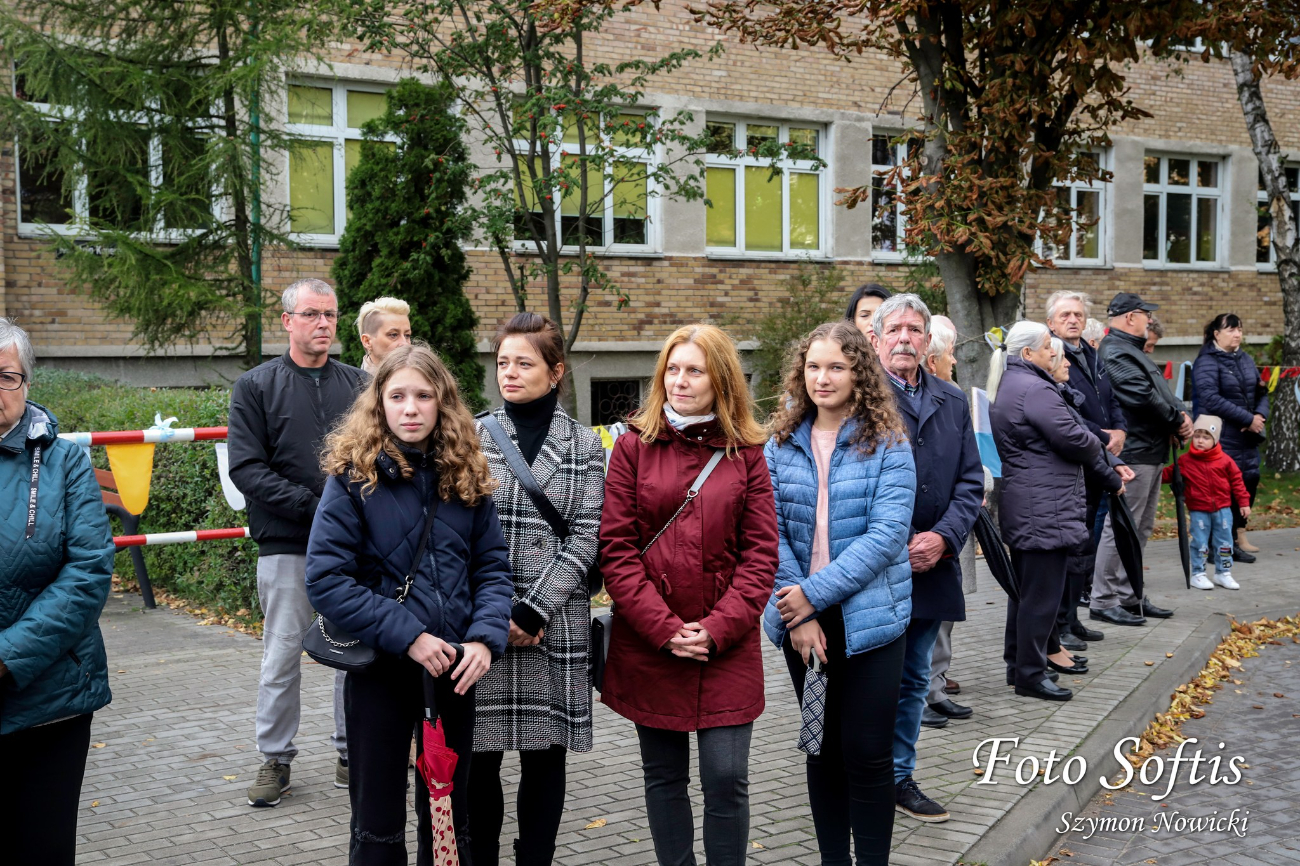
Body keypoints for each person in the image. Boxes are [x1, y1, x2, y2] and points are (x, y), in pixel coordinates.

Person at [306, 344, 514, 864]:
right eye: (397, 396)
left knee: (448, 813)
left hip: (454, 671)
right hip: (382, 671)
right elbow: (327, 580)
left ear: (442, 403)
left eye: (423, 395)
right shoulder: (352, 478)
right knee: (376, 822)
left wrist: (485, 639)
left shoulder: (465, 475)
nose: (411, 408)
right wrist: (410, 635)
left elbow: (491, 569)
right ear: (379, 404)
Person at [600, 324, 778, 866]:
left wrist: (718, 628)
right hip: (651, 643)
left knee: (726, 776)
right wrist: (665, 629)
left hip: (727, 642)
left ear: (720, 379)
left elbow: (760, 554)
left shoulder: (746, 452)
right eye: (672, 369)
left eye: (694, 370)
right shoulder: (633, 445)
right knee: (664, 776)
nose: (680, 381)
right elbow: (616, 548)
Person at [766, 321, 916, 865]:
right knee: (820, 750)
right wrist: (796, 611)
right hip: (801, 628)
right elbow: (768, 532)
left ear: (859, 374)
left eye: (836, 367)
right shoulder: (779, 444)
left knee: (868, 754)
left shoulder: (889, 444)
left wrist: (812, 595)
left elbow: (887, 536)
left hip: (872, 622)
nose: (822, 378)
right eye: (813, 366)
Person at [470, 313, 605, 866]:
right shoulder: (471, 436)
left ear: (555, 372)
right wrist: (499, 610)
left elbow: (588, 535)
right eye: (502, 362)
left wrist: (533, 609)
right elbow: (458, 536)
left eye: (524, 363)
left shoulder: (584, 445)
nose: (509, 372)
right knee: (479, 759)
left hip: (554, 623)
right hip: (482, 622)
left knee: (545, 759)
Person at [227, 278, 366, 805]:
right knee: (283, 655)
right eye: (312, 314)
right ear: (287, 321)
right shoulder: (256, 387)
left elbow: (375, 452)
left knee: (354, 650)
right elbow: (247, 469)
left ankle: (351, 753)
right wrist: (320, 509)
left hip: (353, 548)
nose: (324, 324)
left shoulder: (358, 384)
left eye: (330, 315)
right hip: (287, 544)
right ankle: (274, 759)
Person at [0, 318, 114, 865]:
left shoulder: (65, 461)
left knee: (42, 847)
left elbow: (89, 571)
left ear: (27, 386)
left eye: (7, 377)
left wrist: (6, 657)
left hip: (51, 697)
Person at [867, 296, 982, 824]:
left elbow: (970, 481)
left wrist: (942, 537)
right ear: (876, 339)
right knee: (870, 681)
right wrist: (901, 540)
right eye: (895, 329)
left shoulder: (952, 400)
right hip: (873, 569)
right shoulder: (856, 399)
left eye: (916, 329)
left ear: (928, 341)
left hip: (933, 564)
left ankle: (898, 776)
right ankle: (859, 773)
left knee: (915, 677)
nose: (906, 339)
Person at [989, 322, 1128, 702]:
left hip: (1034, 503)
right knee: (1040, 596)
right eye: (1049, 347)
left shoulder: (1019, 384)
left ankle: (1019, 664)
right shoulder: (1034, 388)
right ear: (1028, 353)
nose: (1055, 352)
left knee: (1026, 592)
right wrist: (1095, 441)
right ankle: (1030, 676)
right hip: (1042, 506)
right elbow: (1074, 437)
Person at [1090, 292, 1191, 627]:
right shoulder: (1116, 350)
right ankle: (1104, 599)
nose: (1150, 321)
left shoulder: (1129, 350)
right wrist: (1177, 419)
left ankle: (1129, 595)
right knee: (1120, 526)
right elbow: (1141, 396)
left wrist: (1180, 412)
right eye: (1146, 315)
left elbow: (1158, 391)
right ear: (1131, 317)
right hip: (1134, 451)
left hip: (1149, 448)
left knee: (1140, 527)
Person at [1045, 291, 1127, 648]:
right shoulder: (1053, 358)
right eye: (1065, 315)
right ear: (1051, 323)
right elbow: (1068, 414)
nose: (1073, 320)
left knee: (1085, 546)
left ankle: (1073, 619)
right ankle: (1060, 623)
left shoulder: (1094, 354)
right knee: (1071, 547)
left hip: (1101, 455)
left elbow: (1113, 398)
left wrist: (1120, 429)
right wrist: (1103, 435)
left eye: (1078, 314)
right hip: (1077, 462)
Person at [1192, 313, 1268, 563]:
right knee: (1220, 490)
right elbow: (1210, 399)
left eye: (1240, 330)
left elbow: (1261, 391)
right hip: (1223, 437)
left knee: (1247, 483)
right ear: (1216, 334)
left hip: (1247, 439)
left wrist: (1260, 416)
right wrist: (1247, 419)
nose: (1237, 334)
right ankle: (1213, 547)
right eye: (1231, 330)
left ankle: (1232, 542)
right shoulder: (1207, 362)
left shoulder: (1245, 358)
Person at [1161, 415, 1250, 591]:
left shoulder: (1225, 460)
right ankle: (1198, 573)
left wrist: (1244, 502)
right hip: (1199, 510)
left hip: (1223, 509)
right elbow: (1167, 475)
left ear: (1215, 440)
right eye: (1197, 435)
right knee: (1200, 543)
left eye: (1206, 437)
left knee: (1225, 542)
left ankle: (1223, 572)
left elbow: (1237, 482)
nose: (1200, 440)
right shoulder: (1185, 461)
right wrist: (1149, 474)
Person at [357, 296, 414, 375]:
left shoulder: (424, 381)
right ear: (367, 341)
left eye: (407, 335)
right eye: (393, 335)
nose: (404, 343)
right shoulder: (351, 385)